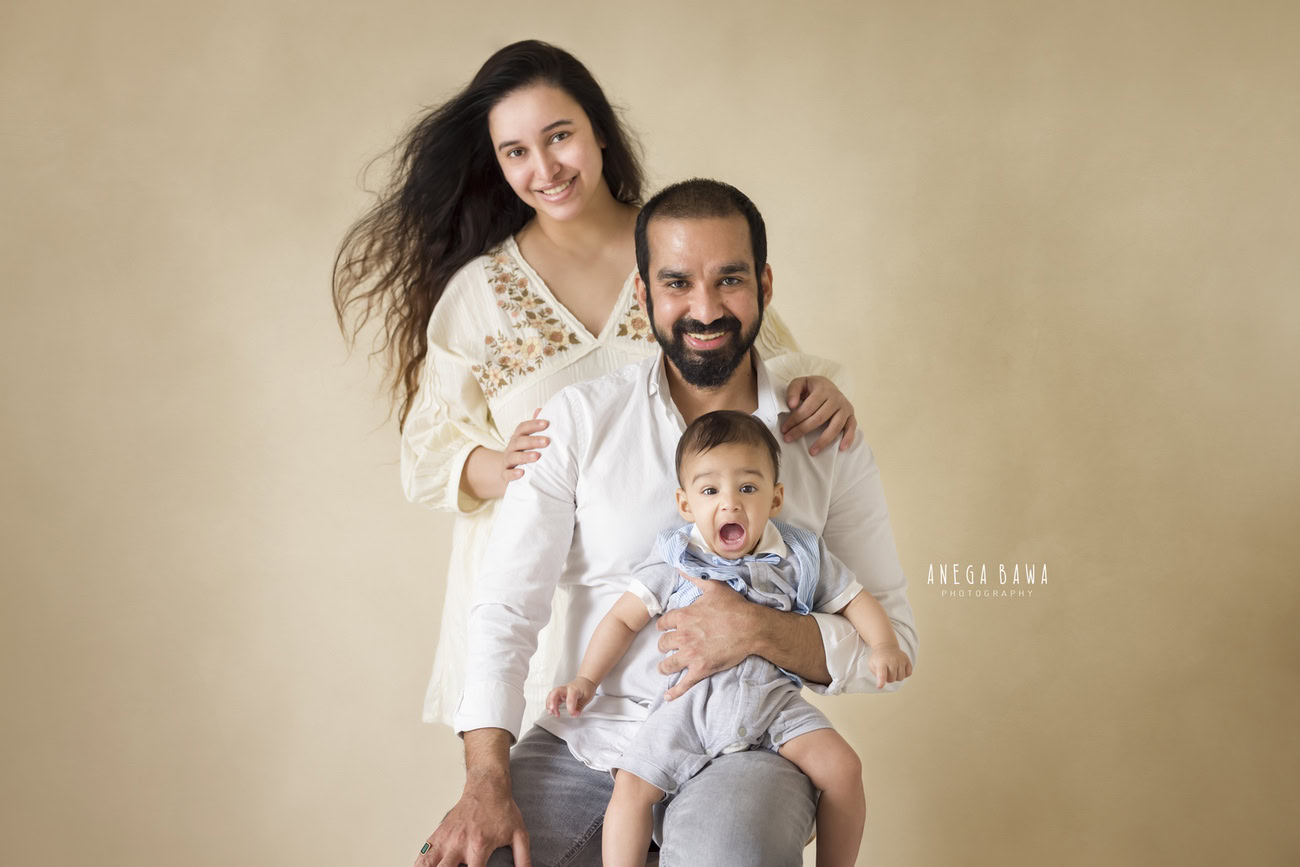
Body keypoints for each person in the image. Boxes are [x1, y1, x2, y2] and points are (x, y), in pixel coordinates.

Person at [332, 40, 860, 737]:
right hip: (545, 630)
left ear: (600, 132)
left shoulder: (680, 248)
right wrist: (504, 465)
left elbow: (765, 373)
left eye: (560, 136)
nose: (545, 168)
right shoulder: (477, 296)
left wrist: (818, 390)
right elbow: (424, 455)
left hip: (686, 612)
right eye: (516, 151)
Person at [419, 178, 918, 867]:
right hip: (587, 741)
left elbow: (893, 641)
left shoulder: (821, 434)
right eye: (677, 282)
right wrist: (483, 781)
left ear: (765, 285)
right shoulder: (578, 421)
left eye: (730, 279)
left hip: (750, 739)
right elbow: (507, 608)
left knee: (730, 853)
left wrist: (761, 630)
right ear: (643, 293)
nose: (705, 309)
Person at [546, 410, 914, 867]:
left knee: (844, 768)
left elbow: (854, 599)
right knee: (631, 786)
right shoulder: (676, 557)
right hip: (690, 706)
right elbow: (622, 619)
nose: (730, 504)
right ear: (685, 505)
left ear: (775, 498)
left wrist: (884, 645)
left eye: (748, 488)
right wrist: (585, 679)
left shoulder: (800, 554)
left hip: (772, 702)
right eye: (710, 491)